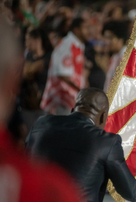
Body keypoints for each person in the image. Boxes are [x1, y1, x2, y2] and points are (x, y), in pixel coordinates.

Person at [0, 15, 83, 202]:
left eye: (30, 38)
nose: (27, 41)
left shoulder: (46, 58)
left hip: (36, 108)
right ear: (11, 83)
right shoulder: (51, 190)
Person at [27, 88, 136, 202]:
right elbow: (131, 193)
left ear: (73, 110)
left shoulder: (41, 124)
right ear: (103, 117)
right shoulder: (107, 142)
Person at [41, 17, 88, 115]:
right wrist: (83, 91)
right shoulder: (67, 45)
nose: (89, 31)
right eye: (86, 28)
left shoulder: (78, 45)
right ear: (77, 29)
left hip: (71, 99)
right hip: (62, 99)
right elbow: (63, 74)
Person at [102, 20, 129, 91]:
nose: (106, 42)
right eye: (105, 38)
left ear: (121, 38)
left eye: (110, 38)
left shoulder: (125, 57)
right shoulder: (115, 56)